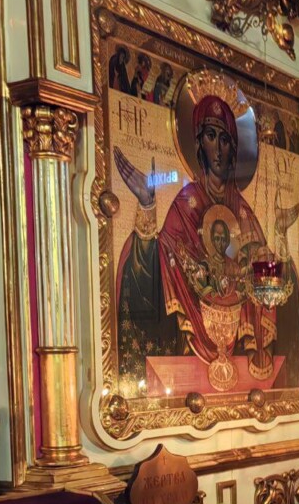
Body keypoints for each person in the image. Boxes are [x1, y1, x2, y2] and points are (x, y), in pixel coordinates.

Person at [114, 93, 276, 383]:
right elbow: (156, 263)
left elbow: (266, 285)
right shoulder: (184, 204)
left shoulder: (244, 213)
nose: (218, 149)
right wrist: (147, 206)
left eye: (225, 140)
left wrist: (267, 263)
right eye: (211, 137)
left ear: (233, 148)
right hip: (187, 343)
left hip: (238, 345)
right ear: (199, 143)